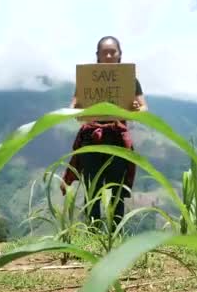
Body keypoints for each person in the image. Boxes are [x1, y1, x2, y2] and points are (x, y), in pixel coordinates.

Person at [61, 35, 147, 232]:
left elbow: (143, 108)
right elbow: (74, 107)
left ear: (119, 55)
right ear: (97, 55)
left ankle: (115, 234)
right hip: (92, 140)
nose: (108, 55)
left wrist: (134, 108)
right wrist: (78, 108)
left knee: (117, 189)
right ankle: (93, 235)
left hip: (117, 140)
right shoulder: (88, 79)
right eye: (104, 52)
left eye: (112, 51)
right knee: (92, 189)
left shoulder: (130, 80)